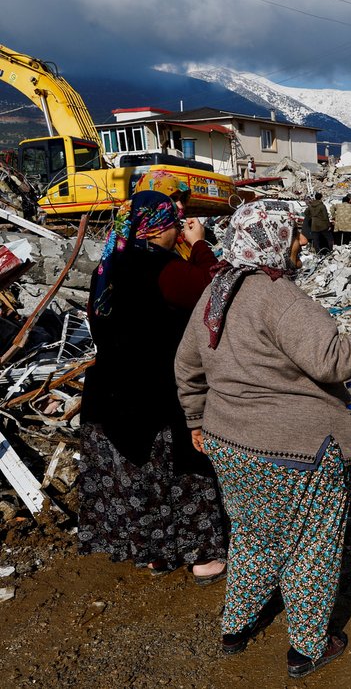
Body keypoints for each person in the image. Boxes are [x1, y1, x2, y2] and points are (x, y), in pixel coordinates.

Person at [175, 204, 351, 679]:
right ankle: (308, 647)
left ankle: (235, 626)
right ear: (272, 241)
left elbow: (187, 366)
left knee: (254, 536)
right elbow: (334, 360)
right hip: (293, 451)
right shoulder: (279, 297)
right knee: (311, 545)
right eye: (294, 236)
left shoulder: (217, 290)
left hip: (227, 442)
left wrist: (196, 420)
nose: (301, 243)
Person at [79, 190, 228, 584]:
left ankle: (155, 553)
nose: (178, 229)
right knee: (186, 472)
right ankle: (202, 557)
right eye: (174, 224)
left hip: (112, 390)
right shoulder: (161, 267)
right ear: (159, 226)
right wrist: (199, 245)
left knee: (140, 475)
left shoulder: (108, 267)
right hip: (160, 392)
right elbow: (215, 289)